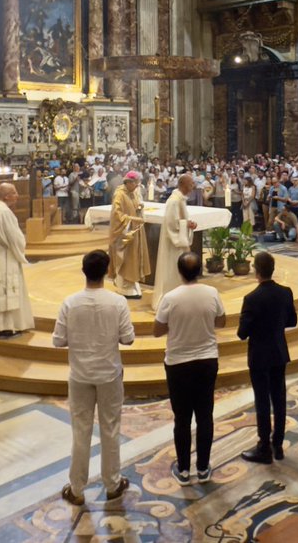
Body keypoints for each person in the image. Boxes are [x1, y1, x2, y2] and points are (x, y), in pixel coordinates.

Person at [52, 250, 134, 508]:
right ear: (107, 271)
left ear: (83, 271)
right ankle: (112, 484)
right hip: (109, 373)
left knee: (80, 431)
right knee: (110, 429)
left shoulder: (70, 303)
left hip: (80, 375)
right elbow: (128, 338)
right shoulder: (118, 302)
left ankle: (76, 488)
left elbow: (58, 340)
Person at [153, 251, 225, 485]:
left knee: (181, 418)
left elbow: (157, 330)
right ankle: (203, 468)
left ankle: (183, 470)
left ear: (179, 271)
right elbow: (221, 321)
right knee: (205, 415)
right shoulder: (211, 293)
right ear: (199, 270)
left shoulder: (170, 297)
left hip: (178, 363)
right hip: (206, 360)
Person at [236, 251, 297, 464]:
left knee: (262, 401)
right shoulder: (285, 292)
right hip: (279, 351)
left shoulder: (252, 298)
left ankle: (264, 447)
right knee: (279, 399)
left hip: (260, 355)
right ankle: (278, 445)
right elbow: (292, 321)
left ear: (256, 271)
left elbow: (242, 333)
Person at [0, 182, 34, 338]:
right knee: (4, 294)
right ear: (7, 196)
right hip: (5, 257)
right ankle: (4, 328)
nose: (17, 195)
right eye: (15, 192)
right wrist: (21, 245)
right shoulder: (4, 212)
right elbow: (15, 238)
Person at [154, 173, 197, 311]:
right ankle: (171, 302)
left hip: (179, 241)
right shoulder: (173, 201)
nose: (192, 187)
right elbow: (171, 224)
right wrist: (186, 224)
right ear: (183, 184)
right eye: (190, 184)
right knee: (173, 271)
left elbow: (178, 221)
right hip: (173, 245)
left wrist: (187, 224)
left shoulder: (180, 199)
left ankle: (181, 300)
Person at [109, 171, 150, 299]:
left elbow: (134, 205)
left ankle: (132, 282)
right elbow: (117, 215)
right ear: (129, 182)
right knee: (126, 258)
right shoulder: (119, 195)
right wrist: (133, 219)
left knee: (134, 257)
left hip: (134, 231)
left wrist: (138, 207)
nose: (138, 186)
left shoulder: (132, 192)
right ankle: (124, 286)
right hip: (125, 233)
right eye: (136, 183)